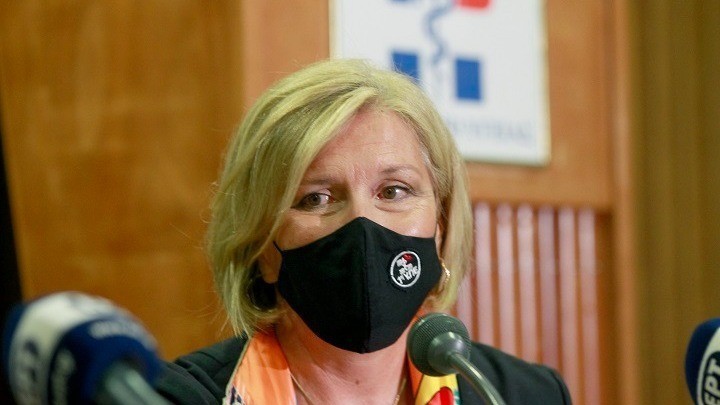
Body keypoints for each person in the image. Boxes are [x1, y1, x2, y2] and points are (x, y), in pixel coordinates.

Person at [155, 59, 571, 404]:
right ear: (263, 249)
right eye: (316, 198)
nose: (362, 224)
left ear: (441, 226)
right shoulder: (180, 398)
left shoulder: (523, 395)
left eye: (393, 191)